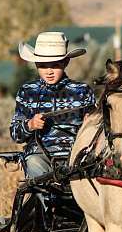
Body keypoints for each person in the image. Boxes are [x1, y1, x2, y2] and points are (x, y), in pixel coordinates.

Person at [10, 32, 96, 178]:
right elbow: (15, 134)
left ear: (65, 62)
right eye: (43, 66)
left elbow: (97, 130)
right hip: (40, 156)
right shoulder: (27, 92)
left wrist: (90, 124)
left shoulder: (83, 91)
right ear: (36, 64)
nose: (49, 71)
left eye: (55, 65)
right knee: (33, 162)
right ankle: (45, 199)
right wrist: (30, 125)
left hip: (78, 156)